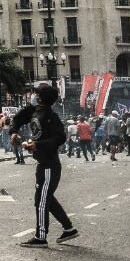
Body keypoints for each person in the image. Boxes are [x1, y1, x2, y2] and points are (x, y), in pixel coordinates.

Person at [10, 82, 78, 247]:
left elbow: (60, 137)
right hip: (42, 163)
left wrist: (38, 145)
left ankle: (41, 237)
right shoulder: (32, 111)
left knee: (41, 200)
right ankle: (68, 229)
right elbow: (16, 120)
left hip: (50, 165)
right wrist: (13, 133)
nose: (33, 95)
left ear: (40, 97)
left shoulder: (51, 116)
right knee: (46, 198)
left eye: (36, 93)